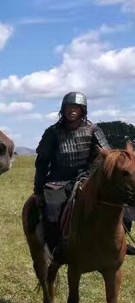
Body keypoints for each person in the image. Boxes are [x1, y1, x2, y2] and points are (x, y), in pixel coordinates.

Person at [34, 92, 112, 257]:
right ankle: (55, 249)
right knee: (52, 212)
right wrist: (38, 189)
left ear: (83, 110)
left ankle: (117, 243)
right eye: (69, 107)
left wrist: (90, 174)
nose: (72, 111)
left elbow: (105, 156)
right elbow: (42, 162)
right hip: (58, 181)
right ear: (63, 110)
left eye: (76, 107)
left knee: (117, 204)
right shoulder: (53, 132)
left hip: (87, 178)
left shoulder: (93, 130)